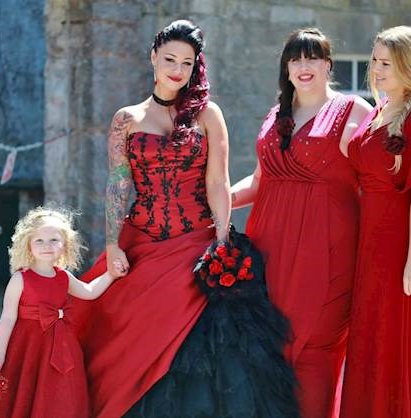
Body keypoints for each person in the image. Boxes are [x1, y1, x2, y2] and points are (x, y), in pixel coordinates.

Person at [74, 20, 298, 418]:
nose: (177, 69)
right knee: (109, 333)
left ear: (197, 66)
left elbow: (218, 181)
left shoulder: (208, 114)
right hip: (141, 242)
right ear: (153, 58)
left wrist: (223, 239)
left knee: (212, 350)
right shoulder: (126, 119)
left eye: (187, 62)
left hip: (197, 245)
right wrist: (111, 246)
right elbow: (117, 187)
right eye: (169, 59)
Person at [231, 28, 372, 418]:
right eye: (295, 59)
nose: (304, 66)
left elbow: (377, 181)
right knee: (272, 344)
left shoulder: (355, 111)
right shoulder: (276, 116)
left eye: (313, 58)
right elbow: (261, 180)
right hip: (269, 249)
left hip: (328, 248)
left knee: (316, 347)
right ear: (286, 68)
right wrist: (220, 200)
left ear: (329, 65)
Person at [339, 26, 411, 417]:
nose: (375, 69)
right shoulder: (379, 109)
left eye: (385, 62)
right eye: (373, 60)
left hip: (404, 239)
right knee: (373, 333)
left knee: (400, 335)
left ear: (408, 66)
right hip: (372, 236)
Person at [0, 207, 122, 418]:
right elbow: (8, 317)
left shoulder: (64, 277)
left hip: (60, 344)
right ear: (27, 244)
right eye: (39, 240)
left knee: (57, 388)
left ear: (65, 245)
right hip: (25, 346)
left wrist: (111, 275)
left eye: (54, 240)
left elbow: (89, 292)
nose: (47, 246)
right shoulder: (20, 279)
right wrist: (1, 352)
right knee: (22, 387)